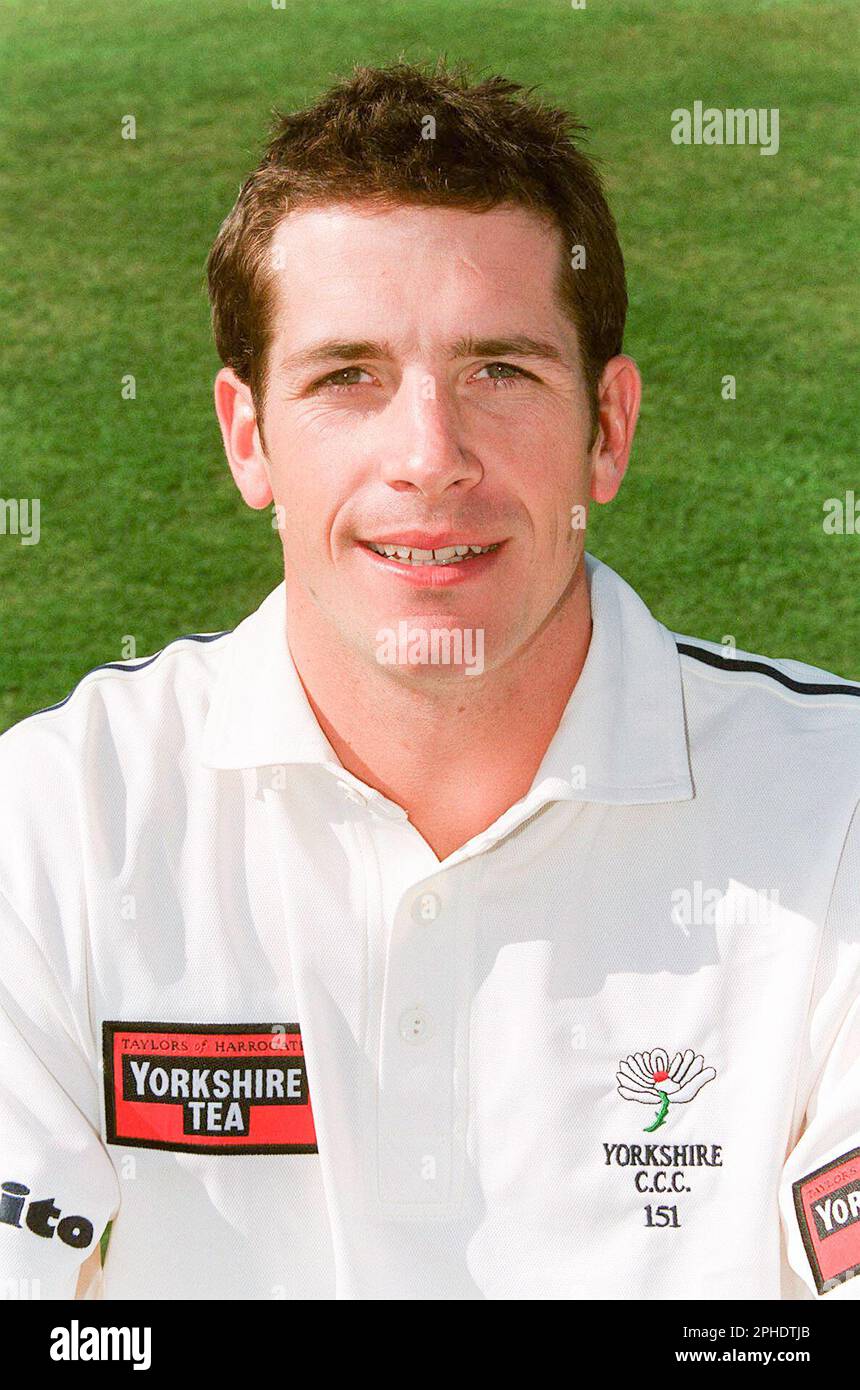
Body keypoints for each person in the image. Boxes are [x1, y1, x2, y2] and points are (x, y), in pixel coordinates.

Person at [1, 61, 858, 1302]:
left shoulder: (834, 812)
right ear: (248, 439)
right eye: (347, 376)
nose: (428, 458)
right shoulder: (48, 825)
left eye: (498, 372)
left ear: (605, 430)